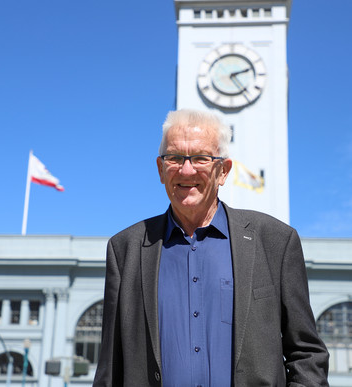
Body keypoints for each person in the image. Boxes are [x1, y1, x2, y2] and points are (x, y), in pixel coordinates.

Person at [93, 109, 329, 387]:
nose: (186, 170)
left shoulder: (275, 241)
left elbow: (307, 355)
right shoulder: (125, 250)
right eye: (175, 158)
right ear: (160, 169)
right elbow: (110, 369)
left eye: (201, 158)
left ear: (223, 171)